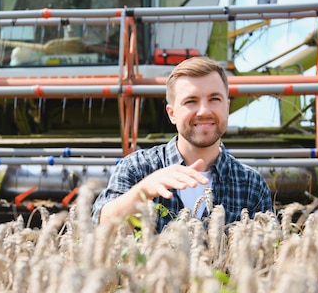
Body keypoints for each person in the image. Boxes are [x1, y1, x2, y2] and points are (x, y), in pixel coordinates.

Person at [91, 56, 273, 232]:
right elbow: (101, 229)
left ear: (227, 107)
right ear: (172, 113)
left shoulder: (251, 185)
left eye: (214, 99)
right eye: (191, 101)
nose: (203, 111)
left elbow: (264, 257)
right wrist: (143, 191)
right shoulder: (137, 168)